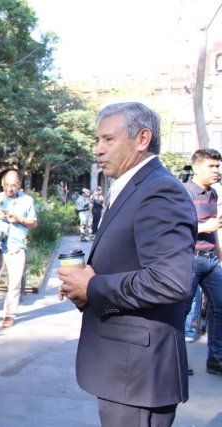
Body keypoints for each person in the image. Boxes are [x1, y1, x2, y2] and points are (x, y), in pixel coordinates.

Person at [58, 102, 196, 426]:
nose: (98, 150)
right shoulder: (134, 187)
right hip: (124, 370)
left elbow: (170, 280)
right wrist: (83, 289)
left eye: (108, 139)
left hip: (138, 375)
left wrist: (92, 286)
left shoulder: (159, 190)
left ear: (142, 138)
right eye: (97, 141)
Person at [0, 170, 37, 328]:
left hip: (16, 247)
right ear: (2, 184)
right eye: (6, 185)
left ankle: (10, 314)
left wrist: (20, 219)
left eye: (13, 185)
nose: (10, 188)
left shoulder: (27, 201)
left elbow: (34, 222)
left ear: (19, 184)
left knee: (14, 283)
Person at [183, 148, 222, 376]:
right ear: (197, 168)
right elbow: (174, 228)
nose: (216, 170)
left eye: (218, 166)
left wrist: (218, 252)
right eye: (211, 166)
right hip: (190, 259)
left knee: (220, 307)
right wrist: (204, 227)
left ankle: (216, 359)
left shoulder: (213, 194)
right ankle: (178, 361)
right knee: (183, 311)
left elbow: (214, 227)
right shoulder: (184, 192)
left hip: (211, 260)